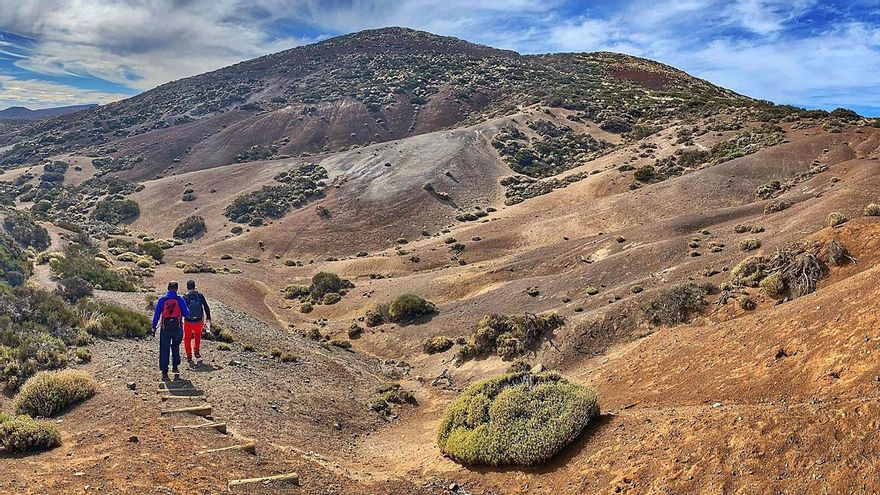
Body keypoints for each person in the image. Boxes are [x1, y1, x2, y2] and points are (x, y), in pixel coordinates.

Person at [152, 281, 190, 380]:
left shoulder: (162, 300)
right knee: (175, 346)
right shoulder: (180, 299)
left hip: (165, 329)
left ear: (168, 288)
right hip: (177, 328)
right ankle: (175, 366)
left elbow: (156, 314)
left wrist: (154, 326)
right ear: (176, 289)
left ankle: (164, 371)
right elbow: (186, 314)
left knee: (164, 348)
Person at [183, 279, 212, 365]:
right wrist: (208, 317)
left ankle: (189, 356)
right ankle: (196, 351)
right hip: (198, 321)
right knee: (197, 336)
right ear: (194, 286)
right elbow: (206, 307)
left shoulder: (184, 297)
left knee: (187, 338)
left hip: (188, 321)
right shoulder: (200, 295)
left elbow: (182, 310)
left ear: (187, 287)